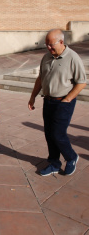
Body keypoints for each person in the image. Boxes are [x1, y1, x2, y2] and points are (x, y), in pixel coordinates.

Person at [28, 29, 87, 176]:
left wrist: (68, 99)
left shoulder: (73, 57)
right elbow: (40, 78)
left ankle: (71, 157)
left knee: (58, 134)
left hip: (64, 102)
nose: (48, 47)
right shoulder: (46, 57)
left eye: (51, 44)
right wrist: (33, 96)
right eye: (46, 44)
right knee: (49, 134)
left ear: (61, 42)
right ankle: (54, 163)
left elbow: (81, 82)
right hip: (48, 101)